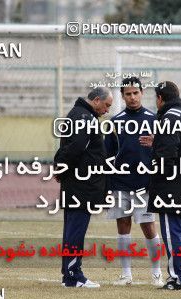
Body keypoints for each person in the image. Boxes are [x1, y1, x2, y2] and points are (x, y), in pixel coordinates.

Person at [104, 77, 164, 287]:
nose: (132, 97)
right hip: (120, 182)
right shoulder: (115, 122)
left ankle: (157, 274)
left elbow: (163, 151)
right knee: (123, 226)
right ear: (122, 96)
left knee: (149, 226)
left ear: (142, 93)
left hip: (145, 183)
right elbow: (107, 155)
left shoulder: (154, 119)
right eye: (128, 94)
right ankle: (126, 274)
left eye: (135, 93)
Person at [54, 87, 113, 288]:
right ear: (96, 100)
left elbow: (67, 148)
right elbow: (75, 149)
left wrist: (60, 167)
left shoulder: (77, 114)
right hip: (82, 185)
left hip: (77, 183)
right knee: (76, 230)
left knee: (72, 228)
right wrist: (61, 168)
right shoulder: (85, 118)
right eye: (106, 105)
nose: (107, 111)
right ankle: (73, 275)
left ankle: (68, 273)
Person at [148, 81, 181, 290]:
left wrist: (153, 176)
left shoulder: (169, 118)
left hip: (171, 187)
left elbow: (166, 156)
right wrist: (158, 141)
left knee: (171, 234)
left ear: (160, 98)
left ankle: (178, 278)